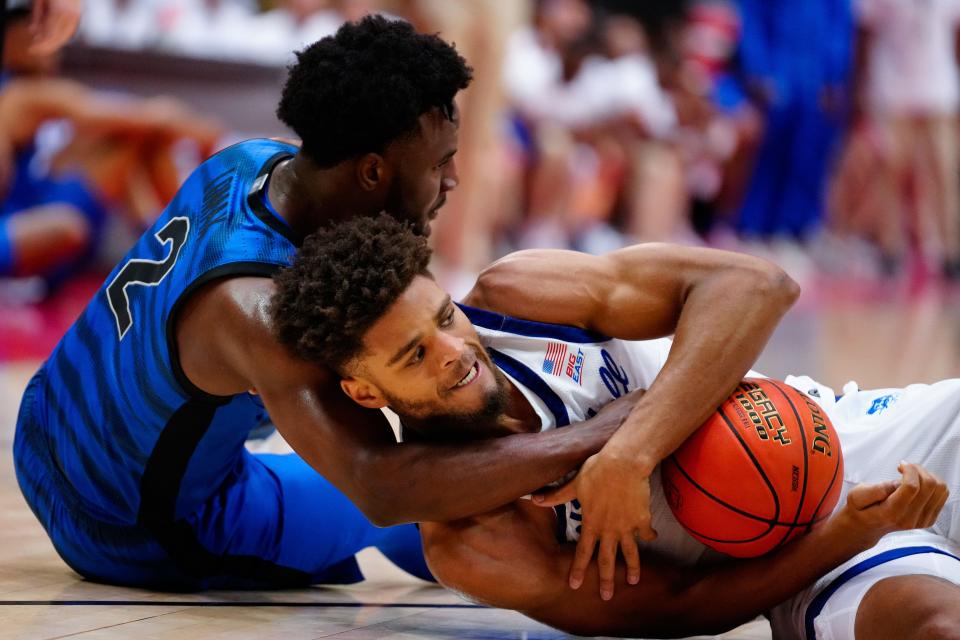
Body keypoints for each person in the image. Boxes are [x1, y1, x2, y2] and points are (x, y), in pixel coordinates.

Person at [14, 15, 799, 592]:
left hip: (45, 425)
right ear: (371, 173)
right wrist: (606, 438)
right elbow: (383, 482)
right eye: (442, 162)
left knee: (458, 456)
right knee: (469, 511)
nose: (454, 182)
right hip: (129, 524)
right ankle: (730, 552)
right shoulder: (263, 309)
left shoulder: (250, 162)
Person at [270, 214, 958, 639]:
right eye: (415, 355)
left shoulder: (519, 299)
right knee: (936, 627)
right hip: (803, 557)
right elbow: (680, 607)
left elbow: (756, 287)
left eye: (444, 317)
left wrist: (631, 452)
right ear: (364, 389)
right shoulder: (473, 541)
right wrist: (847, 532)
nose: (457, 353)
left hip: (856, 432)